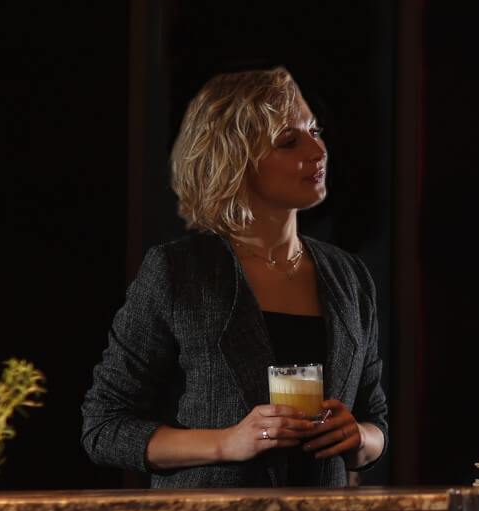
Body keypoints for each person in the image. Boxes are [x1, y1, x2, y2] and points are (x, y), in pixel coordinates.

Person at [82, 66, 388, 486]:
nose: (318, 151)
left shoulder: (349, 276)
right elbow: (104, 428)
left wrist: (359, 439)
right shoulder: (178, 272)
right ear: (236, 161)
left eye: (315, 131)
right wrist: (229, 442)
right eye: (289, 140)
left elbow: (376, 423)